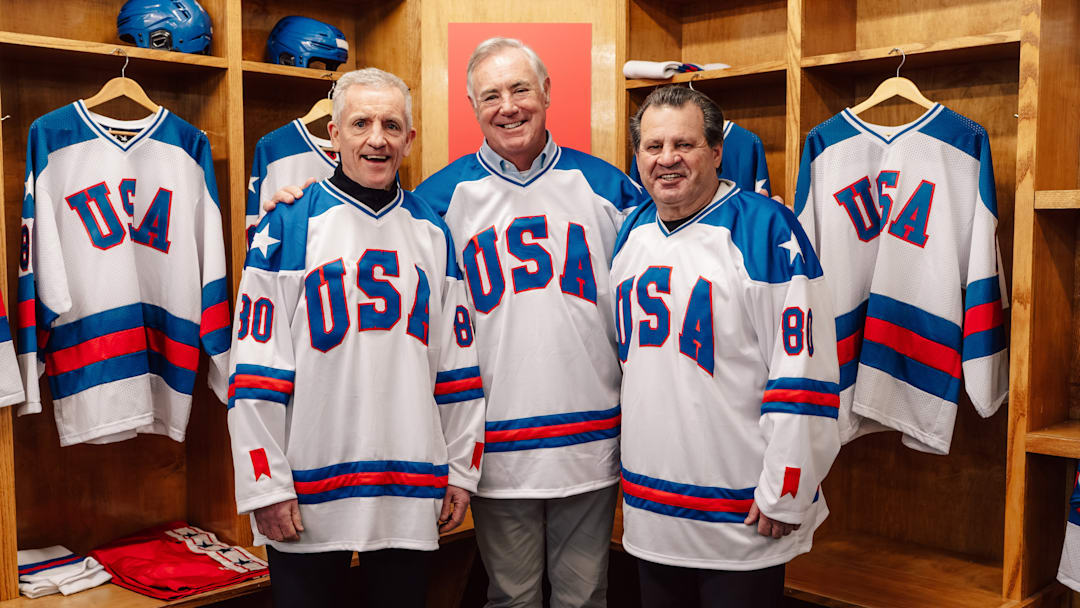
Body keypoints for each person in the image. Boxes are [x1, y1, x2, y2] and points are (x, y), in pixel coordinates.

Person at [265, 37, 645, 608]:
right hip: (494, 444)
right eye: (491, 95)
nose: (508, 105)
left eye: (521, 89)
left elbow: (667, 263)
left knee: (586, 594)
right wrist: (295, 203)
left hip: (590, 441)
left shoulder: (611, 187)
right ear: (472, 106)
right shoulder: (435, 202)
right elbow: (371, 229)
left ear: (547, 92)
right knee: (511, 595)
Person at [227, 67, 485, 607]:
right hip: (308, 487)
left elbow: (457, 369)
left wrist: (461, 470)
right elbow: (254, 373)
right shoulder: (287, 225)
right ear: (334, 134)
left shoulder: (434, 233)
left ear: (409, 140)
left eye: (392, 125)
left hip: (409, 481)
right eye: (360, 123)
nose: (376, 138)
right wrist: (266, 486)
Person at [611, 84, 841, 608]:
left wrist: (788, 488)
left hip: (742, 513)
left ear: (716, 152)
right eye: (652, 147)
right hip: (652, 511)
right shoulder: (631, 232)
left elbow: (803, 373)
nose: (666, 159)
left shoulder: (766, 230)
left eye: (684, 145)